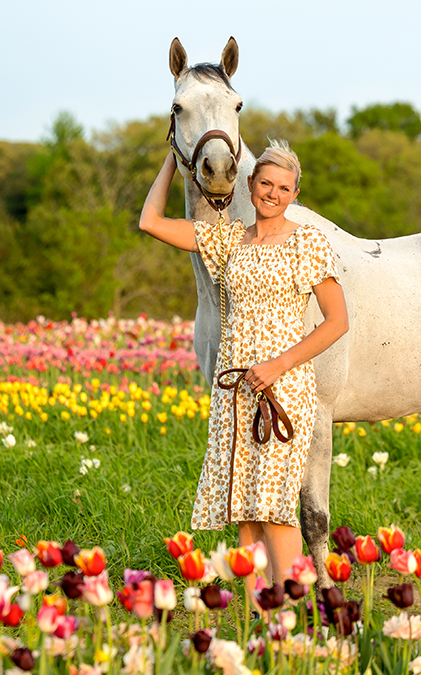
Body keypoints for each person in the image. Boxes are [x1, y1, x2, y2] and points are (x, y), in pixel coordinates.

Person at [139, 140, 348, 586]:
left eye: (284, 187)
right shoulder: (228, 238)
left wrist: (277, 365)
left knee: (273, 508)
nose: (272, 193)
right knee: (244, 512)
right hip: (232, 391)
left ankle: (290, 620)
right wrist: (173, 160)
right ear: (249, 185)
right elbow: (150, 221)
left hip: (283, 390)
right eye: (265, 183)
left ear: (294, 194)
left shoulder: (308, 242)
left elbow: (337, 321)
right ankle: (262, 627)